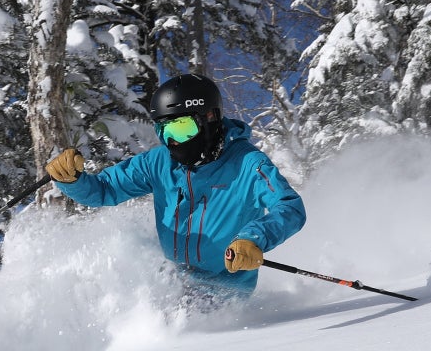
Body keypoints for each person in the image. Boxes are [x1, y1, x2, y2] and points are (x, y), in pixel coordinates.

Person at [45, 73, 306, 297]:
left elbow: (289, 207)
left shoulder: (248, 164)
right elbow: (104, 190)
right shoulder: (158, 162)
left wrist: (253, 238)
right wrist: (72, 180)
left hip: (225, 291)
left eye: (181, 129)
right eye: (165, 131)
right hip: (171, 283)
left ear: (210, 118)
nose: (174, 142)